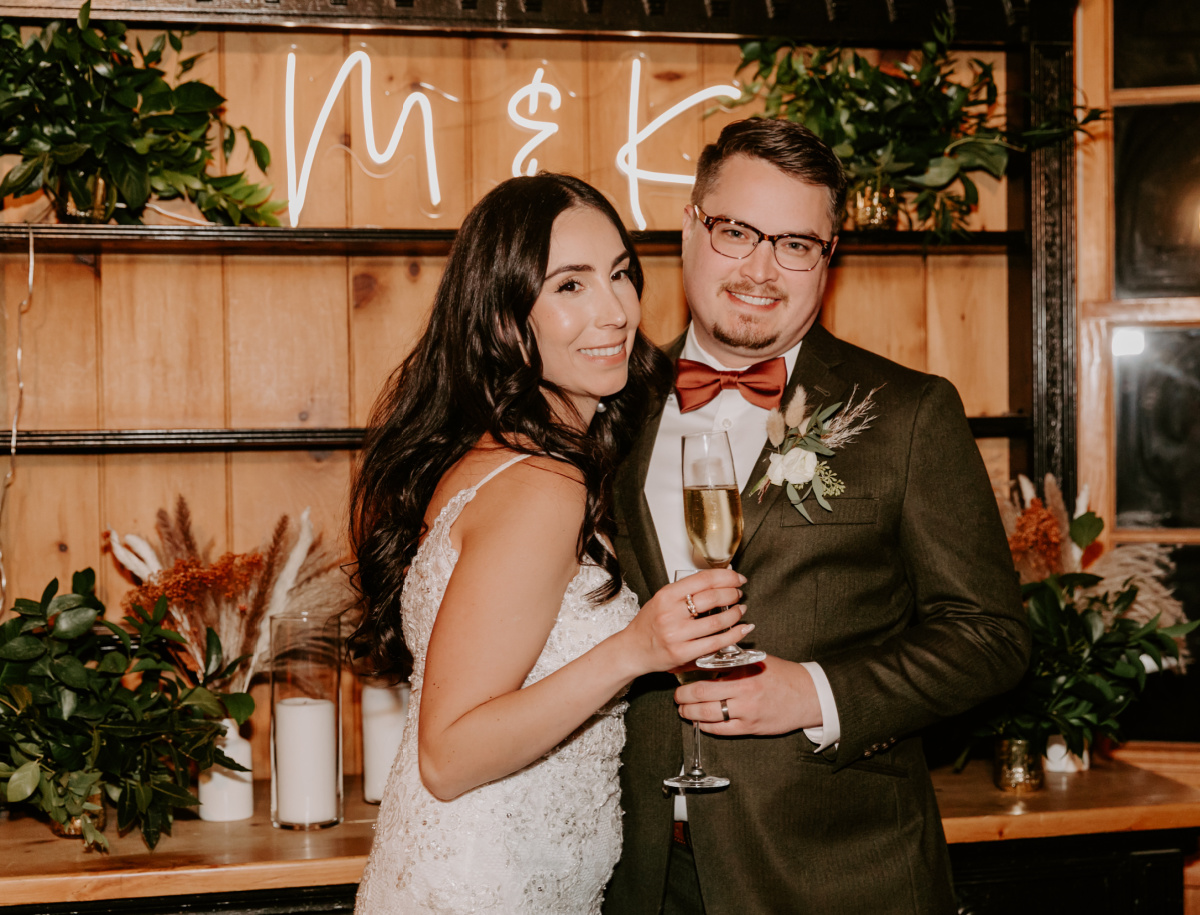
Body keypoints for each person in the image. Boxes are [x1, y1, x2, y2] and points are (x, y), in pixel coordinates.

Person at [604, 120, 1031, 914]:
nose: (762, 269)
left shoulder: (908, 414)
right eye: (737, 232)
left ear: (827, 260)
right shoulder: (608, 413)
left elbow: (991, 635)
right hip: (641, 878)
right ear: (690, 228)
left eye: (797, 244)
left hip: (839, 878)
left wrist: (818, 693)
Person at [349, 173, 753, 915]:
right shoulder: (543, 486)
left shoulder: (494, 453)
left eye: (621, 275)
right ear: (507, 316)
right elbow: (448, 754)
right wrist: (635, 649)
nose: (615, 311)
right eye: (570, 286)